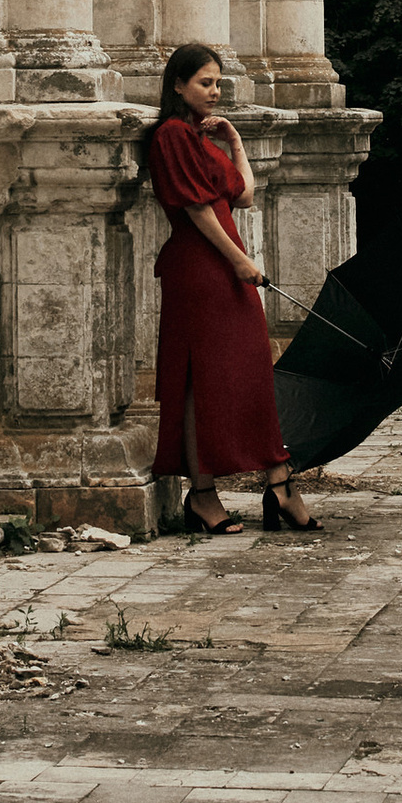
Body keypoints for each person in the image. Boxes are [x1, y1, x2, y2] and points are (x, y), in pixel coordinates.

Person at [145, 42, 321, 536]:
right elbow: (199, 211)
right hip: (202, 270)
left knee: (248, 373)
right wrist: (240, 260)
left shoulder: (203, 139)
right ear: (177, 85)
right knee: (201, 379)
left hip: (224, 267)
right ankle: (206, 494)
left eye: (219, 83)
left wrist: (235, 140)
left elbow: (242, 194)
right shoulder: (172, 136)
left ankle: (278, 482)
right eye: (205, 82)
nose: (215, 91)